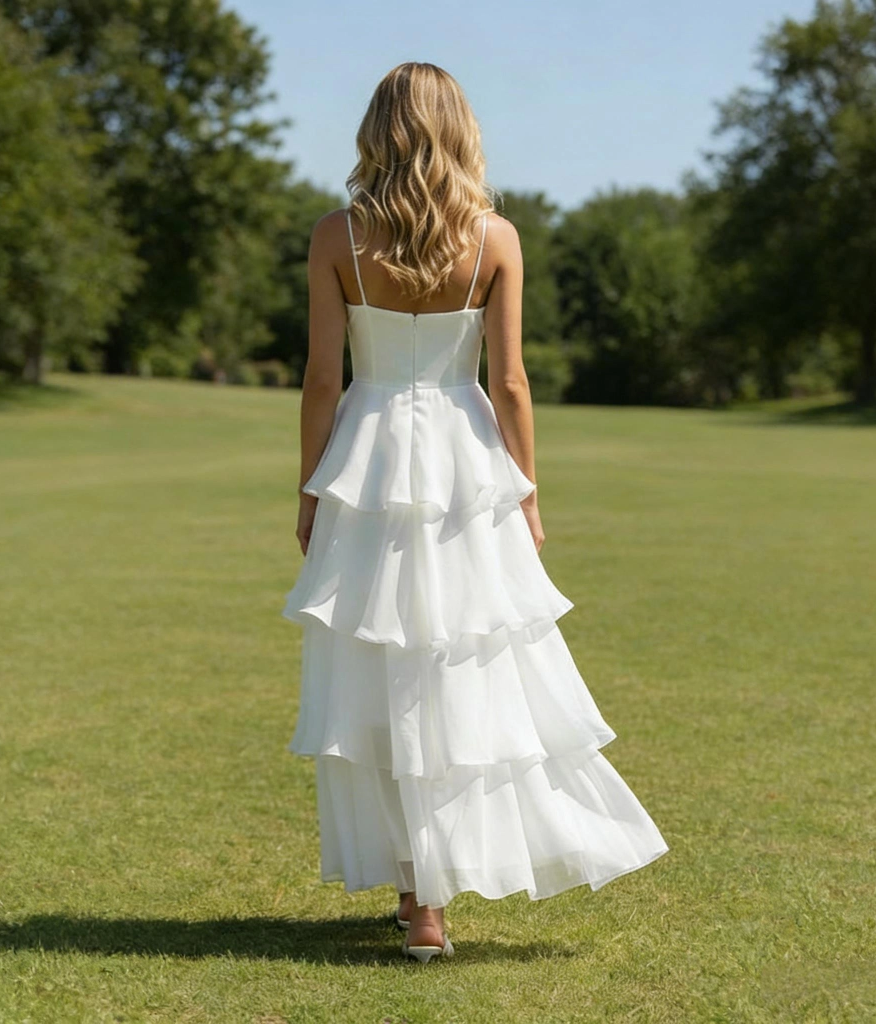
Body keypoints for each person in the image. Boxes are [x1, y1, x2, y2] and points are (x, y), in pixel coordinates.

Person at [282, 62, 668, 963]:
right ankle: (427, 896)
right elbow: (510, 382)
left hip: (368, 460)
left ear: (377, 130)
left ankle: (421, 897)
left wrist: (309, 486)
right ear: (460, 128)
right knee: (454, 663)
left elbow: (322, 379)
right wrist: (527, 489)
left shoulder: (337, 235)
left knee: (383, 666)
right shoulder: (494, 237)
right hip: (465, 463)